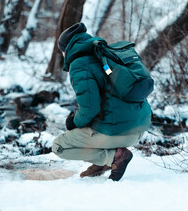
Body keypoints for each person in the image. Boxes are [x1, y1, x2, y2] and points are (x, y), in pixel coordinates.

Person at [52, 22, 151, 181]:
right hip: (139, 128)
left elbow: (89, 108)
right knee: (96, 122)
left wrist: (74, 122)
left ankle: (113, 158)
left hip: (119, 132)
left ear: (66, 49)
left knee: (59, 146)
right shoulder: (103, 53)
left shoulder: (79, 65)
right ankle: (102, 163)